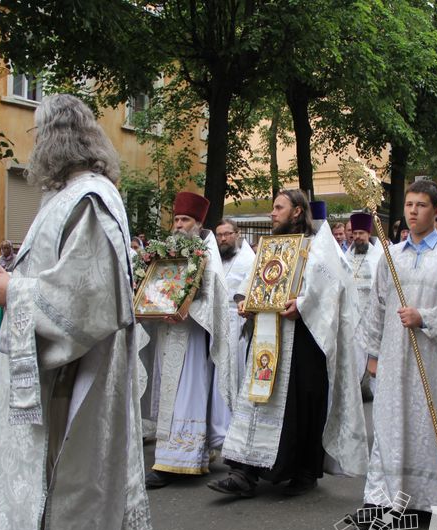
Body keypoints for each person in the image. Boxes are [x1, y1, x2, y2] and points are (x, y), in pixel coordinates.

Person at [0, 94, 153, 530]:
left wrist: (15, 292)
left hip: (77, 382)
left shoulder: (91, 199)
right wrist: (9, 277)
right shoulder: (63, 199)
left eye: (36, 135)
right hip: (58, 371)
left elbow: (91, 299)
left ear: (53, 138)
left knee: (71, 490)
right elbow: (56, 275)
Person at [209, 189, 368, 497]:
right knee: (256, 400)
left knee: (301, 403)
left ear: (297, 211)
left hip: (303, 337)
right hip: (266, 334)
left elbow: (334, 287)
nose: (272, 213)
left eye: (278, 207)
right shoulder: (269, 246)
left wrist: (304, 304)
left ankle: (303, 470)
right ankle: (244, 472)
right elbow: (253, 284)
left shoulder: (318, 246)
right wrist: (244, 301)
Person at [359, 179, 437, 515]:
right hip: (394, 355)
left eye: (421, 205)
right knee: (389, 422)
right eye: (409, 204)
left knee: (427, 422)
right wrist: (372, 354)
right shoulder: (391, 256)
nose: (413, 211)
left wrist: (424, 317)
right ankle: (382, 496)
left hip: (433, 357)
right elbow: (378, 307)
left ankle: (427, 500)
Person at [140, 191, 235, 489]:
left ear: (197, 223)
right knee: (168, 392)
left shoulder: (205, 253)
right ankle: (174, 454)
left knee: (186, 391)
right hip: (168, 333)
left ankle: (178, 460)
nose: (179, 225)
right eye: (177, 219)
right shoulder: (166, 251)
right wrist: (151, 304)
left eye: (185, 220)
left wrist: (185, 310)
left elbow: (215, 299)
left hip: (192, 335)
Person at [216, 218, 256, 395]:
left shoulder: (249, 259)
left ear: (237, 234)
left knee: (234, 367)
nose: (223, 238)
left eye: (227, 234)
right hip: (215, 319)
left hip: (236, 322)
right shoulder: (215, 259)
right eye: (219, 235)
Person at [345, 212, 384, 393]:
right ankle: (356, 389)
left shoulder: (379, 257)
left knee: (372, 352)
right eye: (355, 233)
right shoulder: (346, 257)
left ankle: (373, 389)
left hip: (371, 313)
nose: (358, 237)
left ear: (369, 234)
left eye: (362, 233)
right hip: (352, 314)